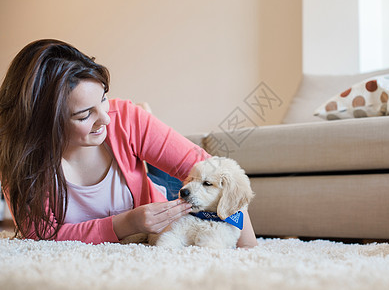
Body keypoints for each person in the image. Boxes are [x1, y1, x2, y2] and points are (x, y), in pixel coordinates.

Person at [0, 39, 257, 248]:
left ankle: (146, 133)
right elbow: (41, 236)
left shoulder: (122, 118)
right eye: (84, 114)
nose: (105, 120)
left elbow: (210, 169)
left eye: (103, 99)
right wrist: (124, 224)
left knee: (183, 178)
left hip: (156, 194)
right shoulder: (21, 162)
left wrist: (248, 248)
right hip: (137, 201)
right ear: (45, 123)